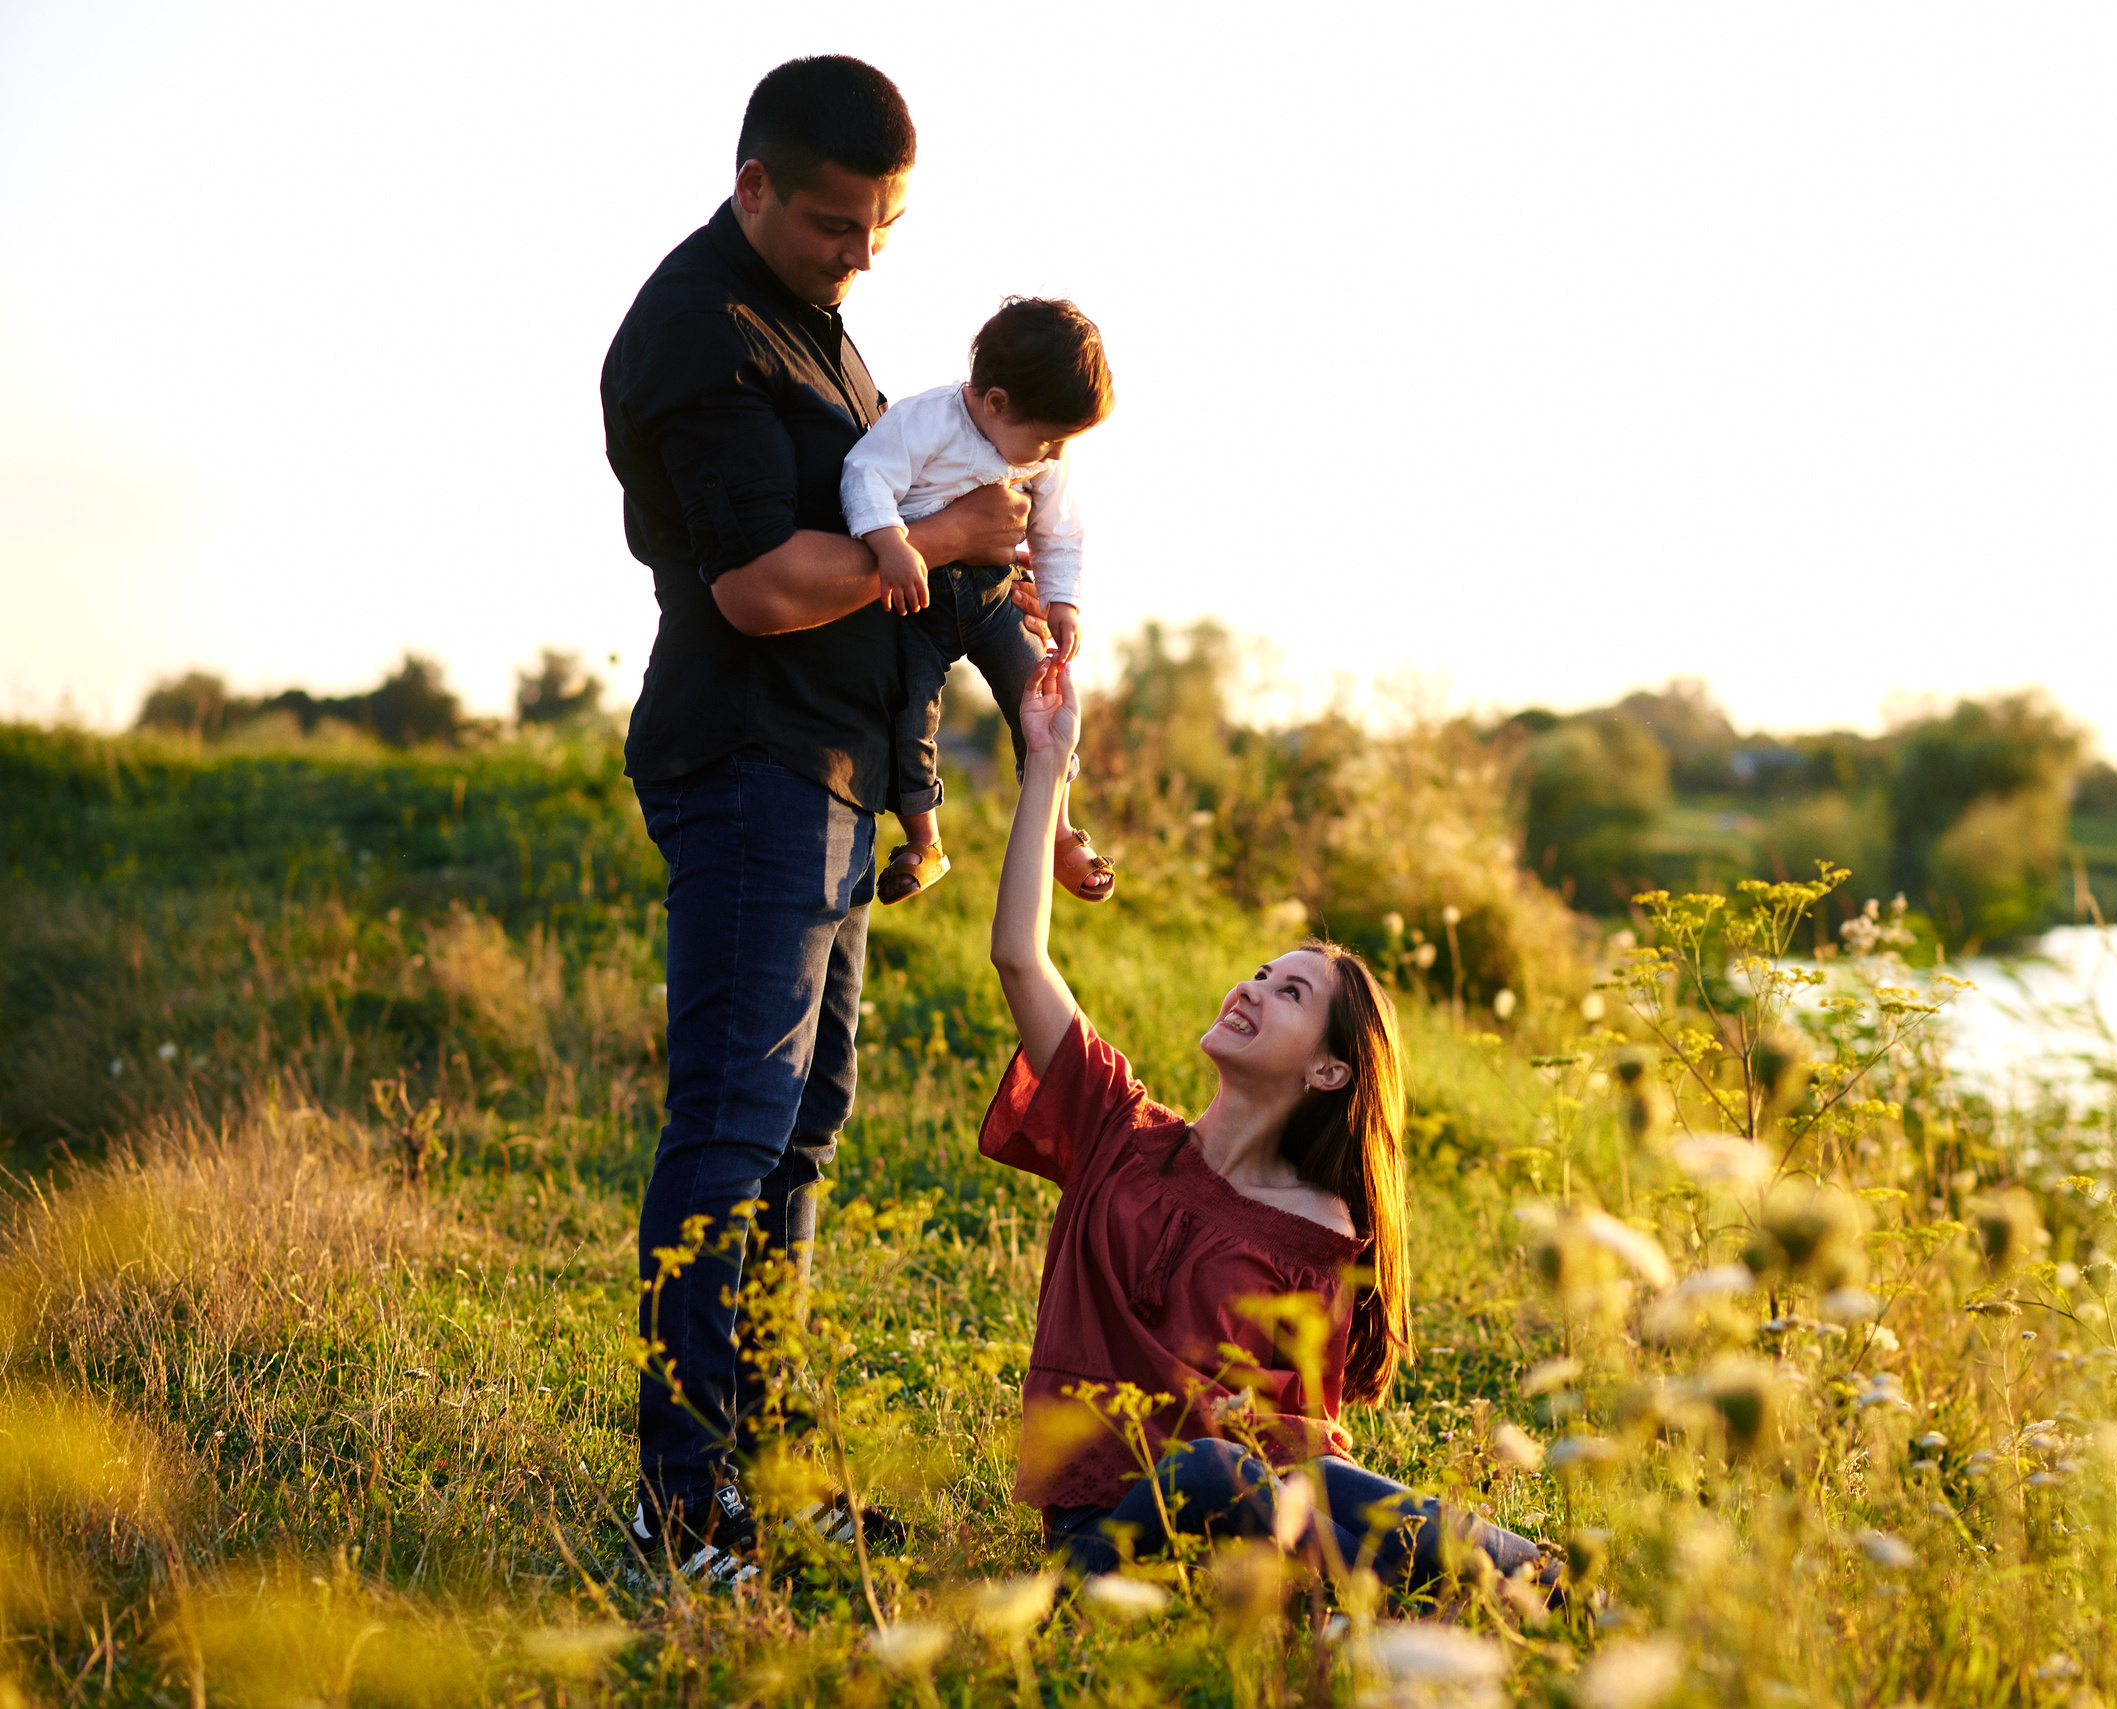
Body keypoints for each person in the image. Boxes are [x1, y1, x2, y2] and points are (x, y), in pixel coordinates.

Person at [601, 54, 1036, 1572]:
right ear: (755, 187)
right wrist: (951, 529)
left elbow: (899, 591)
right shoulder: (701, 337)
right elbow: (767, 587)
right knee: (728, 1126)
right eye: (837, 222)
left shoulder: (821, 331)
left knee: (802, 1132)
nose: (863, 253)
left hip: (837, 772)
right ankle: (677, 1504)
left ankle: (770, 1473)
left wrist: (917, 786)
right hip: (747, 761)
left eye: (887, 228)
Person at [981, 665, 1551, 1594]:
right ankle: (1401, 1599)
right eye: (1259, 971)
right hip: (1103, 1539)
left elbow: (1300, 1451)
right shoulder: (1118, 1128)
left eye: (1290, 992)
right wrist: (1049, 765)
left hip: (1234, 1536)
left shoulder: (1315, 1232)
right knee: (1210, 1469)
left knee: (1280, 1474)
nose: (1250, 987)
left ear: (1328, 1071)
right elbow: (1018, 955)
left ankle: (1529, 1576)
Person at [839, 296, 1119, 906]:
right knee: (909, 711)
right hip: (919, 599)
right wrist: (890, 544)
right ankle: (923, 839)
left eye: (1062, 444)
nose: (1051, 456)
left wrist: (1064, 602)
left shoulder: (1045, 451)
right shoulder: (925, 423)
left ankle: (1056, 826)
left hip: (993, 598)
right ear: (996, 404)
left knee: (1038, 699)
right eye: (1045, 441)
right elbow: (865, 476)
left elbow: (1058, 530)